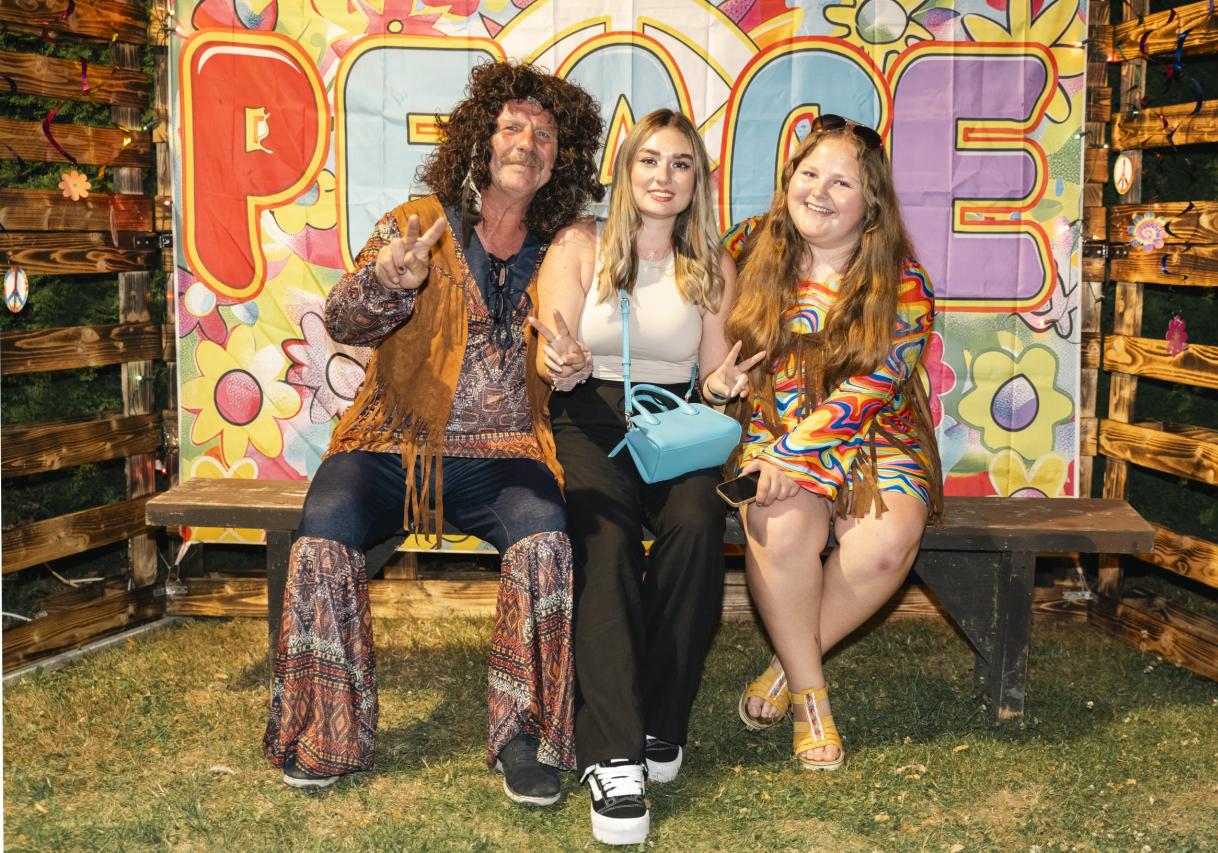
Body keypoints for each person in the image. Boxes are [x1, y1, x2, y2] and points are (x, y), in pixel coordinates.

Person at [261, 61, 604, 806]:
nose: (527, 142)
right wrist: (389, 279)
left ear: (561, 160)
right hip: (391, 444)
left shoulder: (568, 246)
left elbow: (590, 341)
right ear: (481, 139)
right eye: (511, 126)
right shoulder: (419, 221)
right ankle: (327, 732)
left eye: (546, 134)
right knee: (324, 527)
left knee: (546, 536)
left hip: (507, 453)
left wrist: (576, 360)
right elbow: (344, 319)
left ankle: (525, 736)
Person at [531, 109, 761, 845]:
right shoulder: (580, 243)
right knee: (604, 540)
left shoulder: (712, 264)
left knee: (697, 523)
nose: (665, 176)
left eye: (681, 163)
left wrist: (723, 384)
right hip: (588, 414)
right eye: (650, 160)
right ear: (625, 171)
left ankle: (663, 717)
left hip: (674, 420)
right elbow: (552, 344)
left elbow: (715, 375)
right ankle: (613, 756)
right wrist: (563, 362)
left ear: (698, 181)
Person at [724, 114, 943, 771]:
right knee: (779, 520)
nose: (818, 191)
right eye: (809, 173)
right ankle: (811, 701)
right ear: (788, 178)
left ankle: (787, 668)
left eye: (841, 182)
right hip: (768, 425)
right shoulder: (744, 246)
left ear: (871, 203)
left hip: (875, 436)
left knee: (887, 545)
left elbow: (870, 390)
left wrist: (792, 456)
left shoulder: (903, 283)